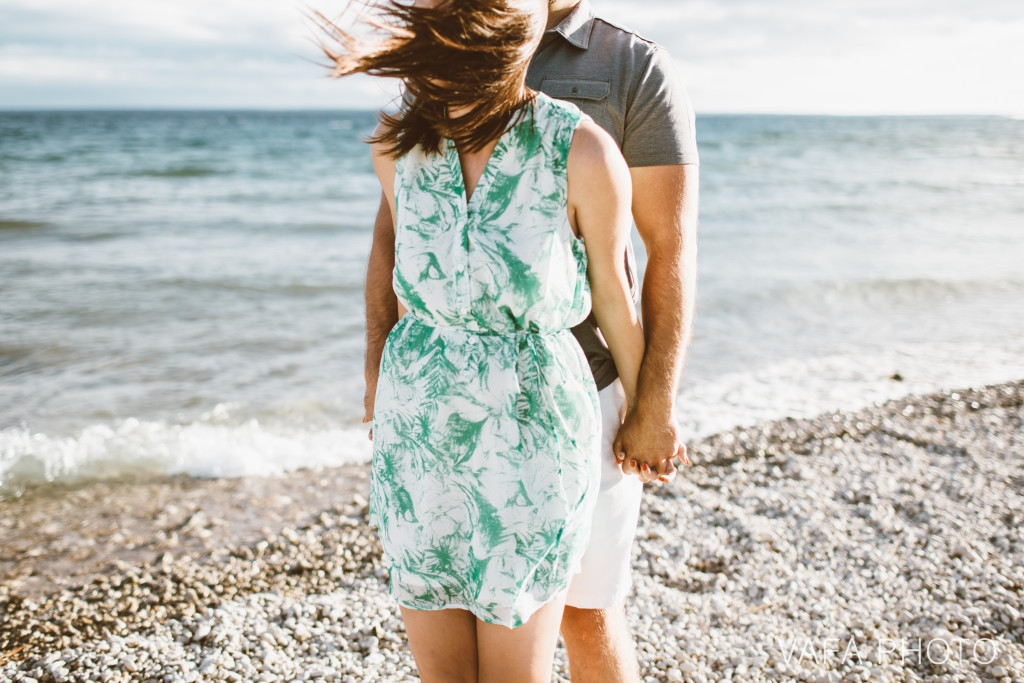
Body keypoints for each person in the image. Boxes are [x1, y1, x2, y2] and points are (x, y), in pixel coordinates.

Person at [361, 1, 700, 680]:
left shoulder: (627, 72)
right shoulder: (407, 127)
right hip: (428, 420)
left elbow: (662, 254)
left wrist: (651, 403)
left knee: (589, 610)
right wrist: (378, 369)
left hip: (559, 399)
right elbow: (397, 246)